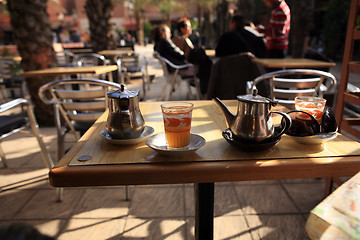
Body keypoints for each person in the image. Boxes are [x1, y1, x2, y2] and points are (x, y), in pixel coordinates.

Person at [152, 24, 211, 94]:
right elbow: (179, 54)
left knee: (204, 59)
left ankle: (204, 89)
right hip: (180, 68)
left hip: (177, 67)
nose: (170, 34)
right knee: (205, 62)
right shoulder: (165, 41)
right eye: (168, 32)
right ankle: (206, 90)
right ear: (163, 33)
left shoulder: (157, 45)